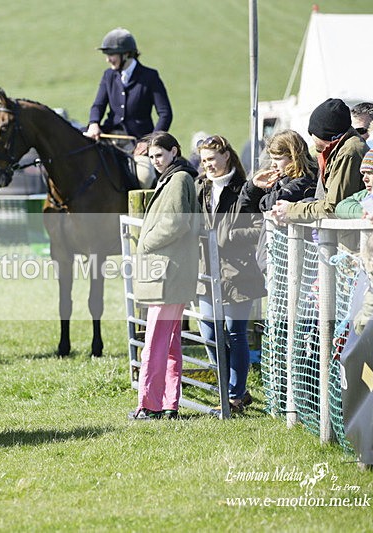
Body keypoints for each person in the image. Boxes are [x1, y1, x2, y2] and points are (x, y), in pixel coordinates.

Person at [128, 132, 199, 420]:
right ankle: (169, 403)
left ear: (174, 151)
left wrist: (144, 242)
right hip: (172, 273)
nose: (155, 161)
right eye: (152, 157)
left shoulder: (179, 179)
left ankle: (149, 405)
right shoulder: (174, 177)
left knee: (154, 344)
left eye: (160, 155)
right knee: (169, 345)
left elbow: (175, 223)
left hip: (169, 274)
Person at [195, 135, 265, 412]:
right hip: (207, 269)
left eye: (211, 158)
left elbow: (260, 227)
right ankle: (230, 388)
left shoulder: (246, 188)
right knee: (209, 331)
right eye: (203, 161)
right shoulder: (201, 187)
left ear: (226, 155)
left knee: (235, 333)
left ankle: (235, 395)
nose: (208, 165)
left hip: (240, 271)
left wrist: (226, 236)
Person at [271, 98, 368, 224]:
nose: (312, 139)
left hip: (349, 240)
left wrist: (290, 210)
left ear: (325, 135)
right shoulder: (338, 149)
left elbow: (332, 208)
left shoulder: (349, 153)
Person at [239, 129, 317, 271]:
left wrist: (264, 197)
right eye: (272, 158)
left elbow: (271, 203)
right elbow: (246, 206)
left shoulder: (306, 181)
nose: (273, 164)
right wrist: (254, 186)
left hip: (294, 262)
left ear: (294, 157)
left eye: (278, 159)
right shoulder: (279, 180)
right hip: (272, 260)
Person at [86, 28, 173, 146]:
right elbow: (98, 105)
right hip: (109, 134)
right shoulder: (108, 75)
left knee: (144, 165)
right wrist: (93, 123)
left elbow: (165, 114)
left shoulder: (150, 76)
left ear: (126, 54)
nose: (107, 60)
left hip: (139, 141)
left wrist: (152, 142)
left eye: (111, 55)